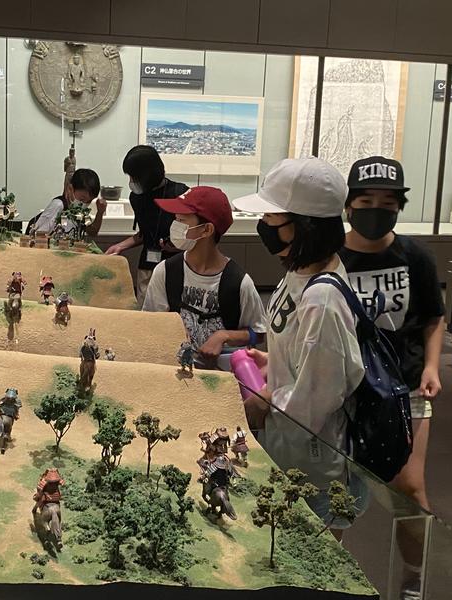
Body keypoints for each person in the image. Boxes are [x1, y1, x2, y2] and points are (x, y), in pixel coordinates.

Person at [233, 157, 366, 532]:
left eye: (272, 219)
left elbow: (314, 401)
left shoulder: (323, 299)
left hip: (312, 468)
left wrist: (265, 399)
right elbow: (306, 354)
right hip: (287, 452)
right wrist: (273, 360)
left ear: (304, 226)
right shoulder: (299, 272)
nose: (263, 227)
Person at [339, 157, 445, 597]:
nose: (376, 210)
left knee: (410, 488)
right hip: (347, 387)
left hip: (406, 385)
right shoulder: (333, 256)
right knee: (334, 486)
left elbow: (433, 317)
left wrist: (433, 366)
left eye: (387, 202)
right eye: (366, 201)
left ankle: (413, 580)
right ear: (349, 204)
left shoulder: (414, 256)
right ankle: (326, 577)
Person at [142, 186, 267, 370]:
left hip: (222, 377)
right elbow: (150, 321)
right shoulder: (165, 271)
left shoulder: (239, 282)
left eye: (182, 220)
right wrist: (171, 328)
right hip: (175, 373)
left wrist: (224, 336)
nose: (175, 226)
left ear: (206, 230)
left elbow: (259, 333)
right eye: (175, 219)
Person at [106, 146, 189, 304]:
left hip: (177, 266)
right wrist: (120, 246)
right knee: (145, 308)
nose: (131, 182)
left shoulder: (180, 193)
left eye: (134, 177)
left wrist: (179, 246)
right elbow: (145, 233)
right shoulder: (136, 197)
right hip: (147, 266)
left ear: (147, 175)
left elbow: (196, 236)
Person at [28, 168, 106, 237]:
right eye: (82, 199)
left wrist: (100, 212)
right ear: (70, 189)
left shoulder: (79, 212)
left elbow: (92, 232)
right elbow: (38, 235)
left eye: (88, 202)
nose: (84, 204)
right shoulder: (58, 205)